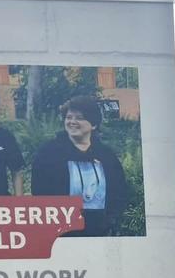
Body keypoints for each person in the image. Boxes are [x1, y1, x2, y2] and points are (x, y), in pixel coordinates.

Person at [31, 95, 127, 237]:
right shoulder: (49, 153)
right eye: (69, 117)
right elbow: (39, 191)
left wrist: (110, 220)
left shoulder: (106, 155)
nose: (72, 122)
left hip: (100, 231)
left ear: (93, 124)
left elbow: (119, 190)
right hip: (62, 232)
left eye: (79, 118)